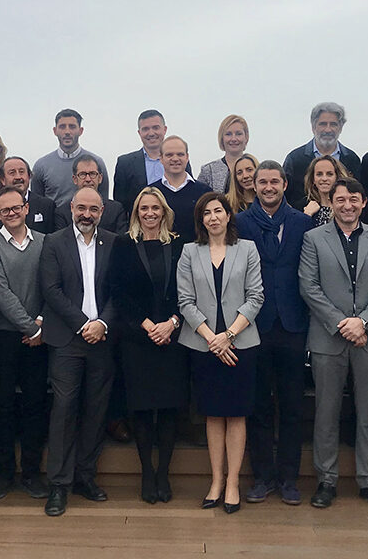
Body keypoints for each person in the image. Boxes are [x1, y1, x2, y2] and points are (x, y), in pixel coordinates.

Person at [300, 178, 368, 510]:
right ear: (332, 202)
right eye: (340, 199)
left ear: (363, 202)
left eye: (353, 199)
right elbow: (309, 286)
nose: (347, 205)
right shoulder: (313, 238)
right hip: (329, 337)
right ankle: (326, 480)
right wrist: (343, 324)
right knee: (326, 412)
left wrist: (363, 321)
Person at [178, 192, 263, 514]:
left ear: (229, 215)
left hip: (240, 343)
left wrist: (228, 335)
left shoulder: (248, 250)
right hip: (202, 344)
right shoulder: (189, 252)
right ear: (200, 220)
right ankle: (215, 481)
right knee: (213, 414)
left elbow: (256, 296)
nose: (213, 217)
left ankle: (233, 483)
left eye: (218, 211)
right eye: (206, 213)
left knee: (236, 413)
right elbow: (185, 300)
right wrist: (212, 338)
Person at [235, 161, 314, 506]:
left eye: (274, 181)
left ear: (285, 184)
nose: (268, 187)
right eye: (262, 182)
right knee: (259, 405)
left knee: (293, 406)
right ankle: (263, 476)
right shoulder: (239, 223)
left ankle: (289, 478)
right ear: (253, 185)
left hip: (294, 324)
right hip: (254, 325)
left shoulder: (302, 223)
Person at [39, 187, 119, 516]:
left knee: (96, 409)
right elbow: (51, 290)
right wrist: (84, 323)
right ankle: (59, 484)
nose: (87, 214)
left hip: (103, 338)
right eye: (81, 207)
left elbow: (120, 291)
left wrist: (102, 324)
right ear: (71, 207)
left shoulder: (114, 242)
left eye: (94, 209)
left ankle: (85, 476)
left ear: (102, 212)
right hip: (67, 339)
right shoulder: (53, 242)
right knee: (63, 410)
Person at [109, 187, 190, 504]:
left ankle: (163, 475)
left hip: (172, 337)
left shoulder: (180, 244)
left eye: (155, 207)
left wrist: (171, 322)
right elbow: (118, 292)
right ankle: (146, 473)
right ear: (136, 212)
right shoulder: (124, 244)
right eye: (144, 208)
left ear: (164, 211)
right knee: (142, 410)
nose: (150, 213)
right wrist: (146, 325)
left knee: (169, 410)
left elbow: (188, 290)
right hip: (136, 339)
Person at [0, 188, 51, 501]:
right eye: (4, 209)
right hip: (6, 336)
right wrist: (29, 326)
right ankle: (4, 475)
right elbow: (0, 291)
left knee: (36, 405)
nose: (11, 213)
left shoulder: (46, 242)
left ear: (26, 208)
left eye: (16, 207)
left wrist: (41, 324)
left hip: (40, 334)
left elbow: (54, 287)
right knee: (2, 406)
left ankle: (32, 474)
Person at [283, 102, 361, 207]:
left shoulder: (351, 159)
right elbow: (284, 195)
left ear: (341, 127)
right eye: (323, 124)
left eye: (333, 124)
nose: (328, 129)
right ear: (313, 126)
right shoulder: (295, 159)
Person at [31, 108, 110, 206]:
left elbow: (104, 201)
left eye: (72, 127)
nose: (67, 131)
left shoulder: (96, 163)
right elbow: (37, 203)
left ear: (80, 131)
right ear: (55, 131)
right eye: (62, 127)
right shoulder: (41, 166)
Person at [148, 136, 210, 240]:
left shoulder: (204, 192)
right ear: (161, 159)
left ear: (187, 157)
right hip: (160, 252)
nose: (175, 159)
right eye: (169, 155)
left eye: (180, 154)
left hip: (197, 252)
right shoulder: (151, 193)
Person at [0, 156, 57, 235]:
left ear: (29, 176)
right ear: (2, 179)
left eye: (22, 172)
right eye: (12, 173)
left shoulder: (46, 205)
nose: (18, 177)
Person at [114, 109, 172, 212]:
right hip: (138, 225)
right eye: (145, 129)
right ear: (139, 132)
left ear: (165, 129)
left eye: (155, 128)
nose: (151, 133)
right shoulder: (125, 163)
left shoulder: (178, 160)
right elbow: (120, 205)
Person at [54, 156, 127, 234]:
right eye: (83, 174)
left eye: (92, 174)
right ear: (75, 179)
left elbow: (121, 241)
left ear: (100, 178)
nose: (88, 179)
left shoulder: (115, 210)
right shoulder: (62, 212)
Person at [291, 154, 351, 226]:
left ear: (337, 177)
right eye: (319, 174)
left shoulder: (348, 206)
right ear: (313, 179)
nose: (324, 179)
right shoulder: (302, 207)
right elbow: (295, 234)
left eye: (329, 174)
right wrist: (307, 215)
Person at [196, 114, 251, 193]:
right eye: (228, 134)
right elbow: (200, 201)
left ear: (246, 137)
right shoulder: (208, 171)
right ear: (222, 138)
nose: (234, 139)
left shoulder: (257, 169)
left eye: (238, 134)